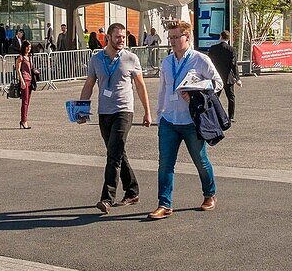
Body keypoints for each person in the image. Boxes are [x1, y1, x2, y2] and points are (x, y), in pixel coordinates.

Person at [149, 19, 221, 220]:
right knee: (165, 164)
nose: (172, 41)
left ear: (186, 37)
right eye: (170, 37)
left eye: (175, 37)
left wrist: (197, 91)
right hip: (169, 120)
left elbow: (217, 83)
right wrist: (159, 116)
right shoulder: (166, 61)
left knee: (200, 160)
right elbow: (163, 89)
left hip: (191, 121)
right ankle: (164, 204)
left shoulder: (199, 60)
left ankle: (209, 194)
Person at [77, 22, 152, 213]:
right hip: (105, 112)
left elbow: (141, 86)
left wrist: (147, 111)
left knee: (113, 155)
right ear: (108, 37)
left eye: (124, 37)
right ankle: (132, 190)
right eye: (118, 37)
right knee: (117, 153)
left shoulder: (131, 58)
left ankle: (107, 198)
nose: (121, 40)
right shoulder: (96, 59)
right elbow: (89, 84)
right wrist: (81, 109)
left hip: (123, 111)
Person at [207, 30, 239, 122]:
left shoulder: (213, 48)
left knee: (214, 97)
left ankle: (212, 115)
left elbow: (208, 63)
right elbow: (234, 65)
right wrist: (237, 78)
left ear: (220, 37)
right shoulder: (231, 50)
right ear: (229, 39)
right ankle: (231, 117)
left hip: (216, 77)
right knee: (231, 97)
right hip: (228, 77)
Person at [14, 40, 35, 129]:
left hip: (30, 80)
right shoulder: (21, 57)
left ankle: (24, 119)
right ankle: (24, 120)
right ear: (24, 47)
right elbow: (18, 69)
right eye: (27, 47)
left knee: (28, 101)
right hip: (24, 80)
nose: (29, 49)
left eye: (30, 47)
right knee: (25, 101)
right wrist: (21, 80)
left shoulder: (29, 57)